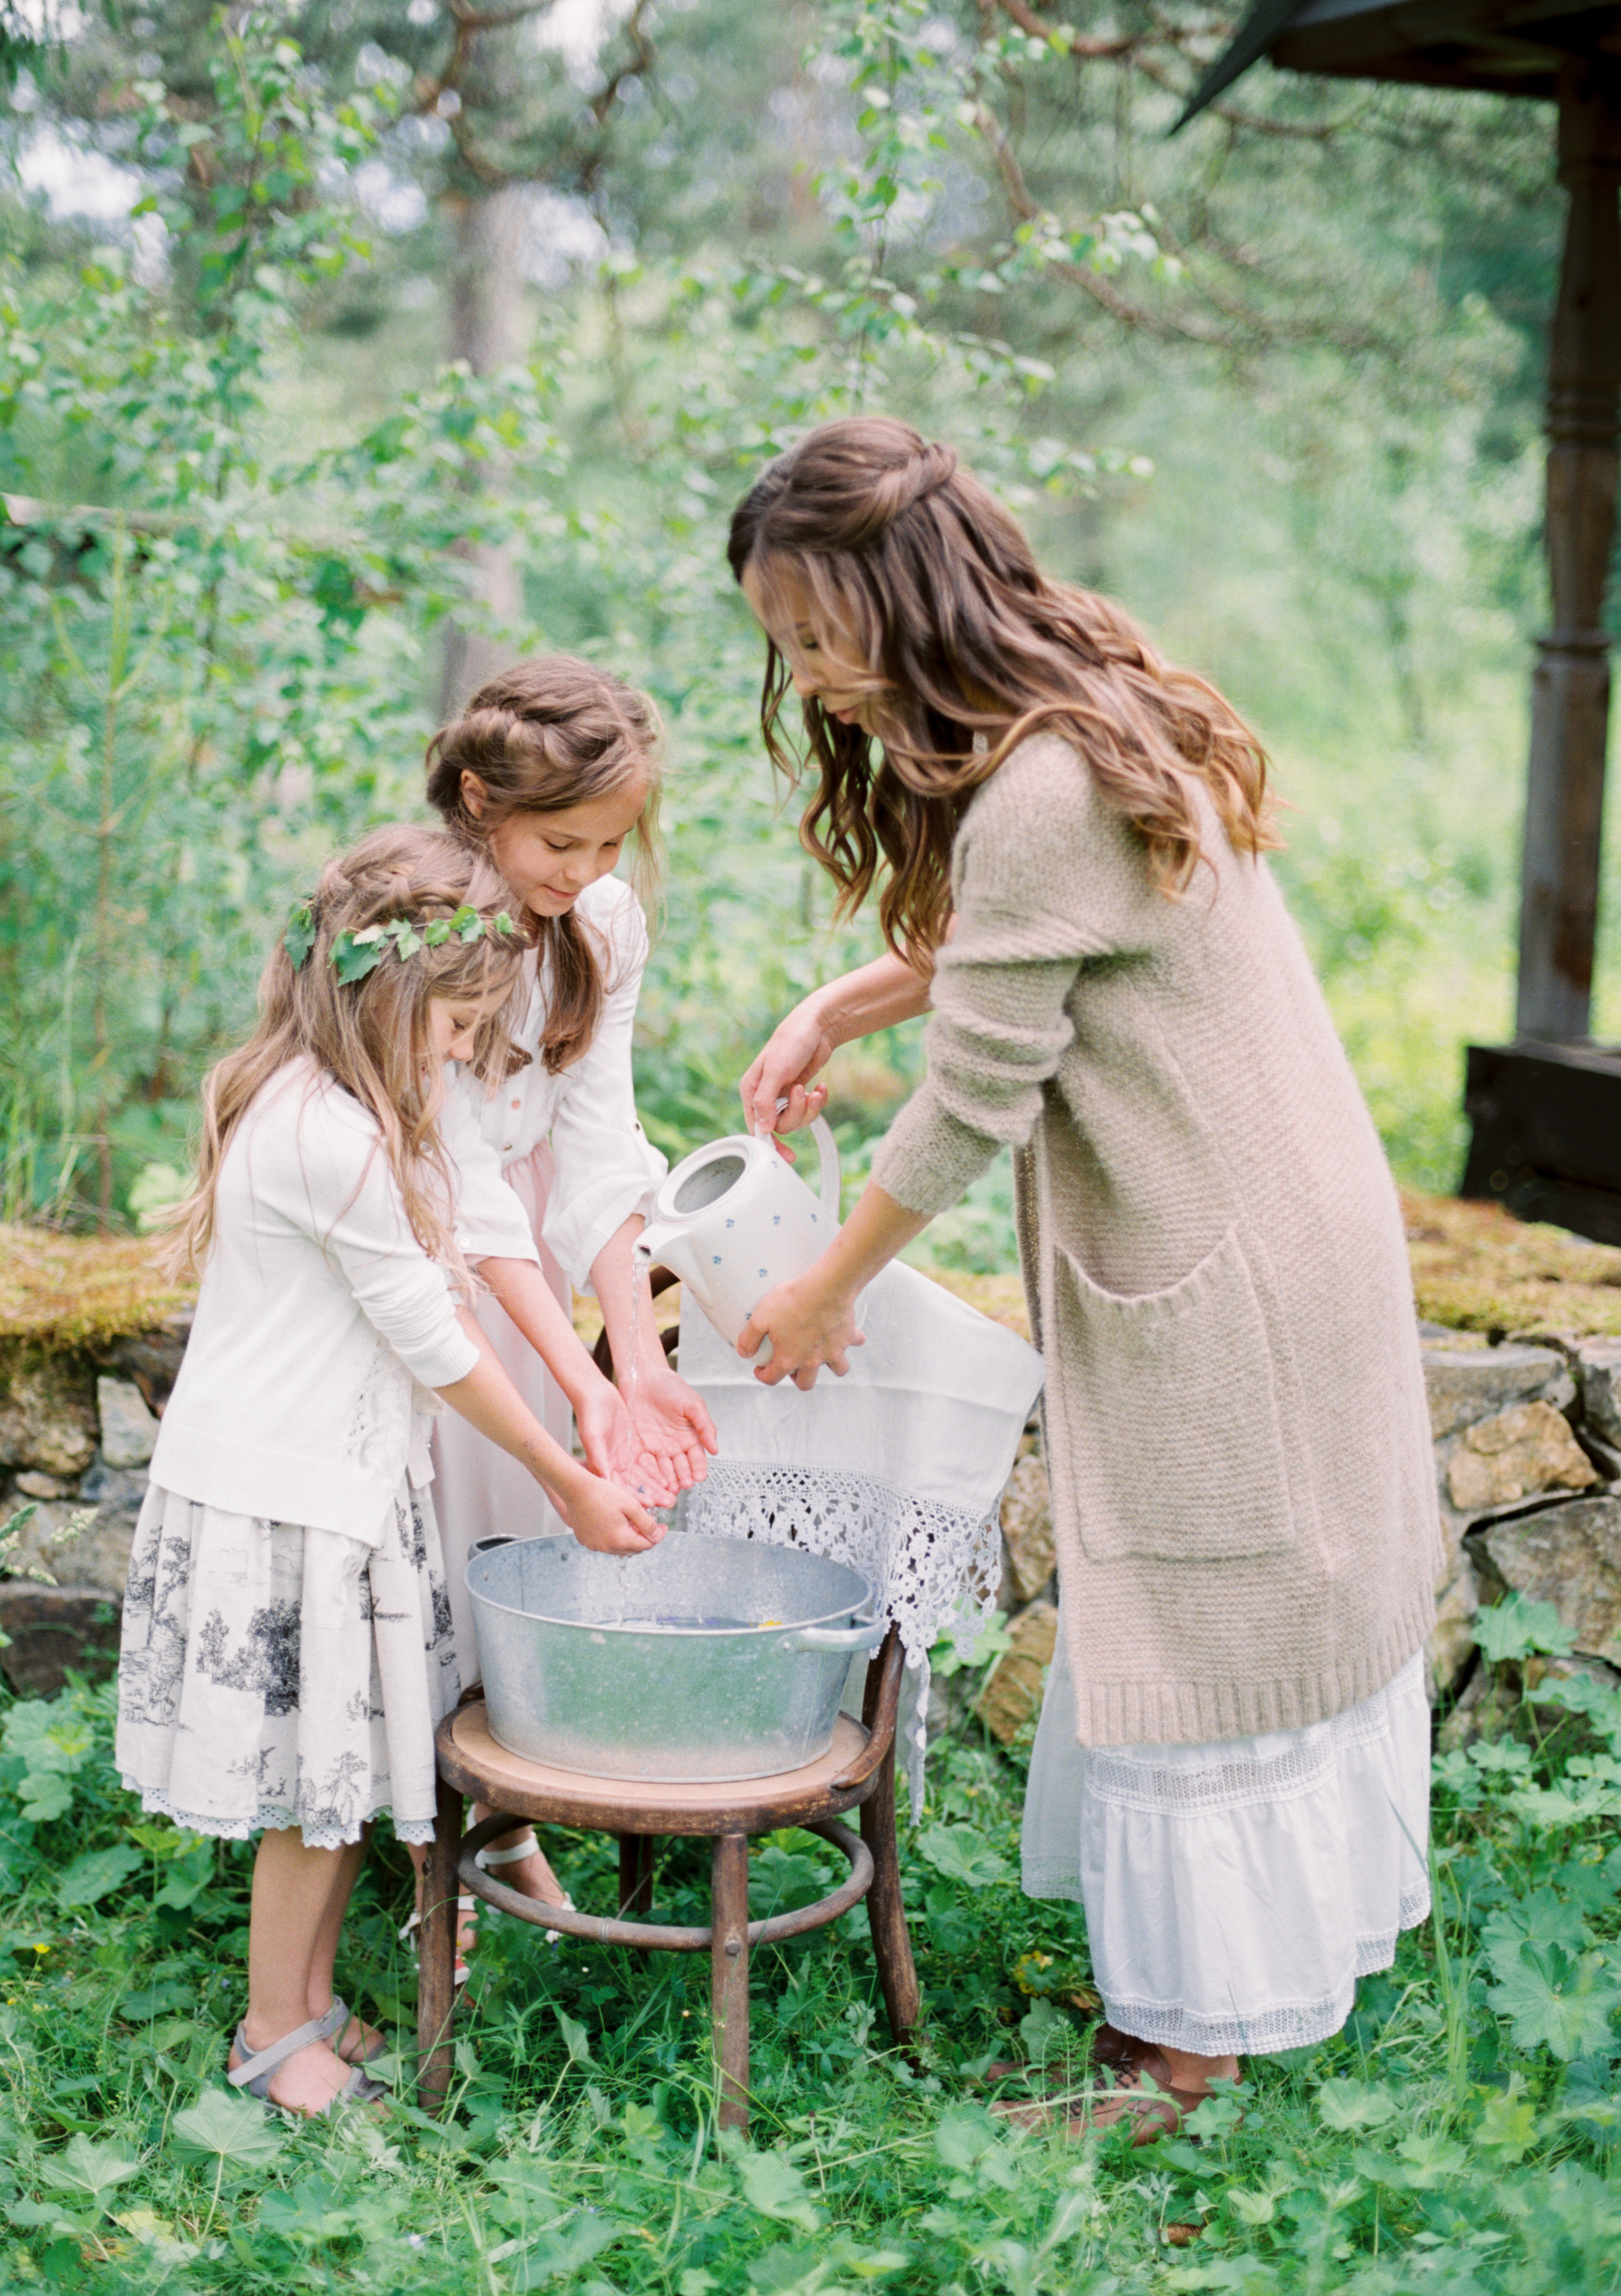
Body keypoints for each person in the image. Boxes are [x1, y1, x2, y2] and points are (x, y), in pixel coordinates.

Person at [726, 416, 1441, 2142]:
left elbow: (979, 1097)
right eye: (782, 646)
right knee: (1219, 1623)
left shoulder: (1037, 787)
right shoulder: (1096, 696)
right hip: (1285, 1224)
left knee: (1197, 1640)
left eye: (819, 637)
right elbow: (1019, 957)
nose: (809, 680)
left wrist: (823, 1288)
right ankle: (1188, 2023)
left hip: (1219, 1260)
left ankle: (1179, 2068)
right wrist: (843, 1001)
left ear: (910, 597)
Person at [115, 826, 661, 2117]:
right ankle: (268, 2033)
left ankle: (306, 2004)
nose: (472, 1051)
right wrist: (563, 1471)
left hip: (335, 1490)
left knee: (337, 1779)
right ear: (392, 998)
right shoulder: (335, 1140)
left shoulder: (334, 1101)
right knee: (312, 1800)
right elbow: (435, 1337)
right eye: (462, 1023)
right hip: (287, 1498)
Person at [417, 657, 717, 1935]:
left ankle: (501, 1815)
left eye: (611, 843)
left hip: (527, 1255)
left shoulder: (604, 924)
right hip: (425, 1254)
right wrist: (581, 1376)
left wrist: (634, 1360)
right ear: (479, 801)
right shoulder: (423, 932)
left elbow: (597, 1148)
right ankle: (416, 1833)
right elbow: (466, 1182)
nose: (587, 869)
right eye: (561, 839)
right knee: (428, 1539)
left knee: (512, 1538)